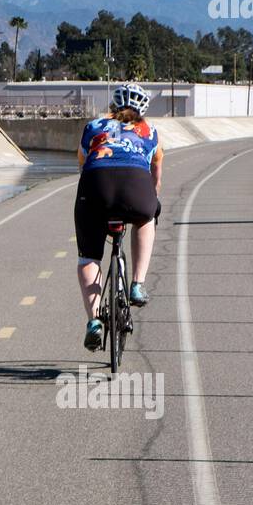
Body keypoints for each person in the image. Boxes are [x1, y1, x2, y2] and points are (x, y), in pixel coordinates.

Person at [75, 82, 163, 351]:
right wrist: (150, 201)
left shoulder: (93, 127)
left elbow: (82, 163)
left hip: (95, 186)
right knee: (146, 218)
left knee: (89, 258)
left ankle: (93, 322)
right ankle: (137, 284)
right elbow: (155, 174)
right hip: (135, 187)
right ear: (142, 110)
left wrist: (94, 198)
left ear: (112, 105)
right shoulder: (149, 132)